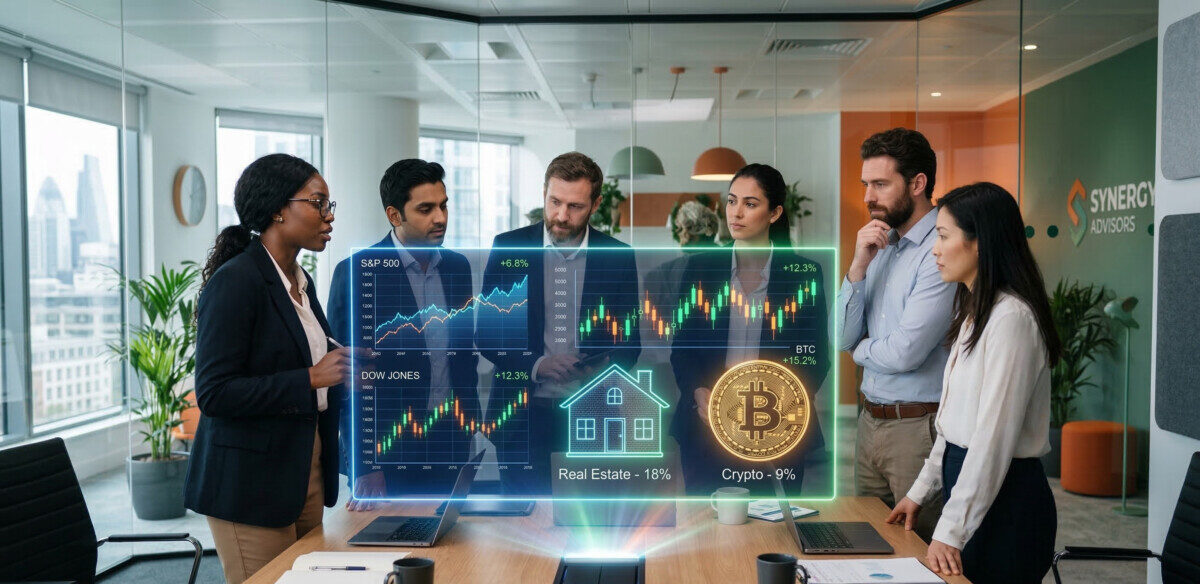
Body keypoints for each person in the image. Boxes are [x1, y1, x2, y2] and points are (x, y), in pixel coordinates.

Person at [185, 154, 350, 584]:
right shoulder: (237, 281)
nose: (328, 216)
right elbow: (216, 393)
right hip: (249, 485)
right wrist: (312, 377)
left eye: (330, 205)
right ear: (279, 209)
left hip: (302, 468)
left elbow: (304, 360)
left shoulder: (300, 281)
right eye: (319, 203)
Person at [886, 182, 1061, 583]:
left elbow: (992, 441)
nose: (935, 249)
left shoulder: (1012, 319)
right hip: (969, 482)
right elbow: (952, 427)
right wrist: (919, 492)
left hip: (1008, 501)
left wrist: (950, 531)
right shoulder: (975, 313)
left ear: (980, 242)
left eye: (943, 237)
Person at [477, 151, 641, 495]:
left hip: (592, 418)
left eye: (575, 206)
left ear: (595, 204)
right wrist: (539, 364)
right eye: (555, 202)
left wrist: (595, 370)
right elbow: (488, 336)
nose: (561, 216)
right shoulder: (509, 248)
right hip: (521, 417)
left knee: (587, 530)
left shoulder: (618, 256)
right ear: (544, 193)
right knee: (520, 529)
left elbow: (630, 345)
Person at [326, 159, 479, 507]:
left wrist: (468, 426)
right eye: (425, 209)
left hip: (450, 439)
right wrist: (364, 465)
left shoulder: (457, 267)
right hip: (388, 450)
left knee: (450, 551)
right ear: (395, 215)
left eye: (443, 206)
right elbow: (347, 381)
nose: (440, 218)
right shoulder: (358, 272)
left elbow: (462, 356)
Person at [669, 163, 830, 496]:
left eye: (750, 203)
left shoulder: (803, 274)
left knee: (771, 530)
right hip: (706, 425)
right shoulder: (700, 268)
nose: (736, 213)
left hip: (776, 427)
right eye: (731, 201)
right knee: (706, 534)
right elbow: (682, 348)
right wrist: (698, 391)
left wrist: (779, 402)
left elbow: (815, 356)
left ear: (774, 213)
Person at [838, 127, 956, 539]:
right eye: (865, 184)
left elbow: (906, 352)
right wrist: (856, 267)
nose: (868, 196)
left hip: (917, 431)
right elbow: (841, 335)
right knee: (869, 545)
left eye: (881, 184)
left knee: (918, 549)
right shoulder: (878, 243)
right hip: (869, 422)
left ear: (918, 183)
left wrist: (859, 349)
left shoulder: (941, 248)